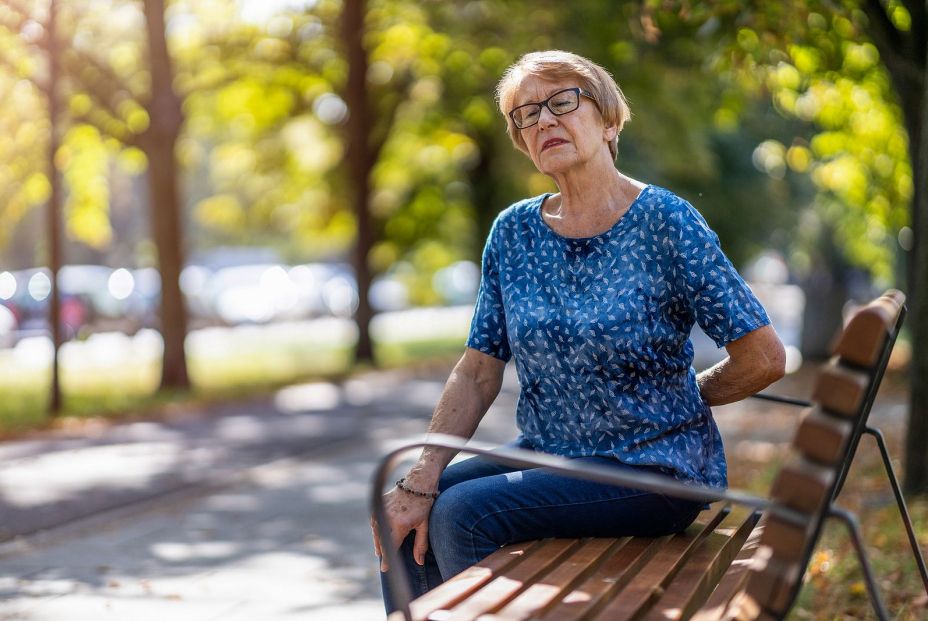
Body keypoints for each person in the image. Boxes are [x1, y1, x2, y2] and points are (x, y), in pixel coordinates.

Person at [371, 50, 786, 613]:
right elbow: (477, 370)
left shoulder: (666, 221)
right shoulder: (513, 232)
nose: (543, 120)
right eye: (525, 115)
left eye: (562, 102)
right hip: (552, 454)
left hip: (654, 471)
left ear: (610, 120)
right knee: (408, 503)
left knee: (464, 511)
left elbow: (762, 357)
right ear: (522, 141)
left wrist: (677, 405)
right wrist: (420, 475)